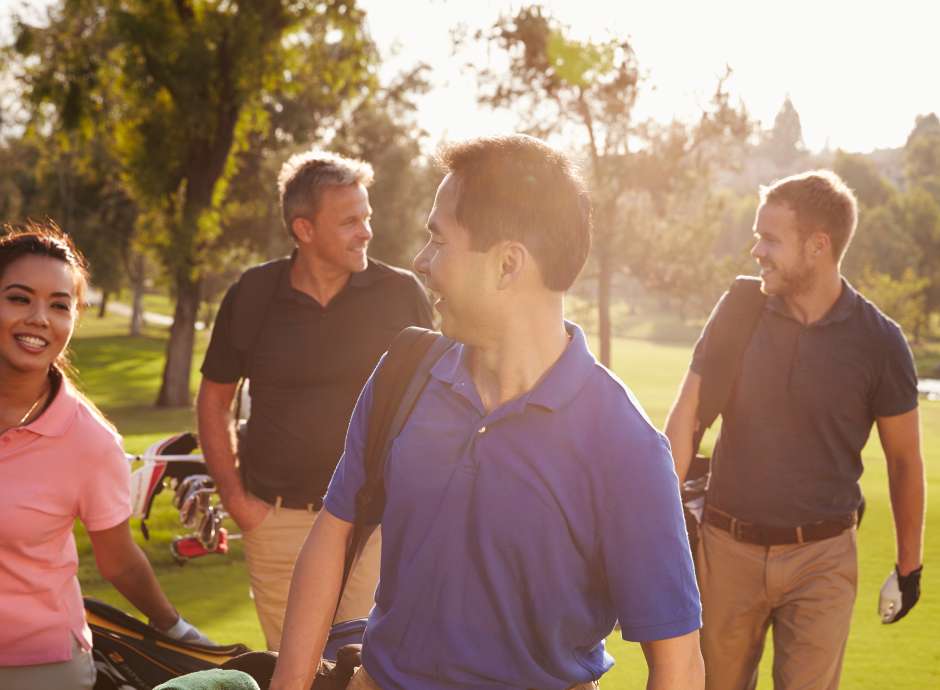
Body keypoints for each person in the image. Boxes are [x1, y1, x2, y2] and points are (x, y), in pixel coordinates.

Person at [270, 135, 704, 690]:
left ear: (506, 264)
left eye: (437, 240)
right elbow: (333, 534)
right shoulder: (404, 373)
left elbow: (678, 666)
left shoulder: (626, 445)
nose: (419, 262)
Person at [664, 170, 926, 690]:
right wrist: (660, 531)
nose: (756, 250)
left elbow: (903, 461)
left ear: (818, 246)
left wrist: (909, 567)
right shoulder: (740, 310)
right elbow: (686, 417)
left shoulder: (880, 342)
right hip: (726, 549)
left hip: (822, 561)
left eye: (770, 239)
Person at [197, 149, 433, 650]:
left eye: (366, 217)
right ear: (304, 229)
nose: (366, 231)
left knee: (365, 669)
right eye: (350, 221)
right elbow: (215, 401)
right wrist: (239, 503)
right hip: (275, 522)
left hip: (370, 526)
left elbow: (434, 399)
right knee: (291, 673)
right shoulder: (253, 293)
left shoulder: (401, 294)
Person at [0, 223, 210, 690]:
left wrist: (174, 628)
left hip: (36, 669)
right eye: (19, 298)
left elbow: (119, 561)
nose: (40, 318)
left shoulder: (89, 440)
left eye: (59, 305)